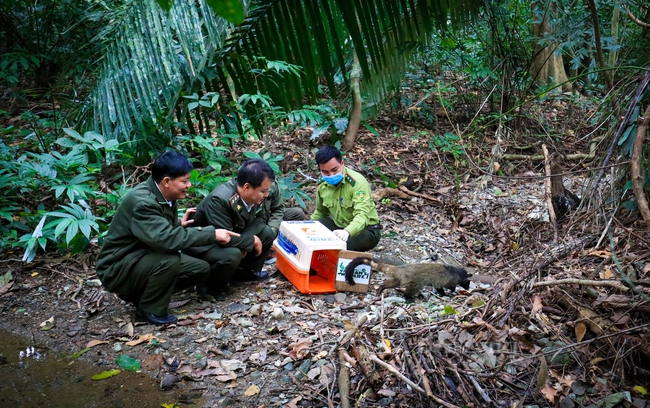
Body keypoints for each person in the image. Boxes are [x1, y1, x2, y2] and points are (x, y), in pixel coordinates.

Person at [96, 151, 238, 325]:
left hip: (141, 255)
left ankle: (141, 295)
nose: (189, 185)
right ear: (167, 181)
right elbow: (166, 240)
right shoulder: (143, 202)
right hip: (118, 267)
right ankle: (149, 309)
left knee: (199, 269)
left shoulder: (165, 194)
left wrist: (178, 225)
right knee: (169, 260)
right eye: (184, 181)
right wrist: (212, 233)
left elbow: (153, 231)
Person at [188, 158, 303, 301]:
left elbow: (260, 219)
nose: (267, 195)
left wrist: (247, 241)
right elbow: (223, 237)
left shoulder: (253, 196)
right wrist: (248, 241)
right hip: (206, 245)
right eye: (263, 191)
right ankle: (210, 288)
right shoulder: (220, 199)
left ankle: (242, 273)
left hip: (234, 233)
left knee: (267, 232)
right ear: (247, 187)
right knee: (232, 253)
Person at [311, 145, 381, 252]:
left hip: (366, 229)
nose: (331, 174)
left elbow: (362, 215)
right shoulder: (322, 184)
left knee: (340, 247)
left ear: (342, 164)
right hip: (339, 226)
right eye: (325, 172)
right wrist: (306, 228)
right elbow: (321, 212)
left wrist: (347, 232)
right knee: (315, 230)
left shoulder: (357, 182)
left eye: (335, 169)